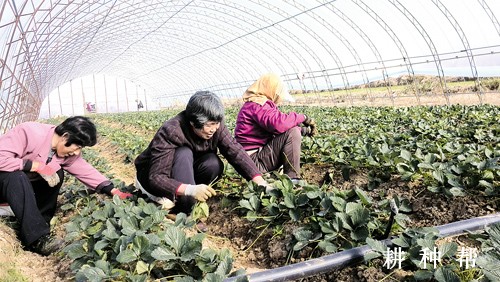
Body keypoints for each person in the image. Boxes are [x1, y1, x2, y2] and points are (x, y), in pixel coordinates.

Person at [0, 116, 132, 256]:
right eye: (78, 147)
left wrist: (111, 189)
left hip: (18, 190)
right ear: (65, 137)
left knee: (56, 173)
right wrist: (32, 165)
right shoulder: (29, 132)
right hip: (4, 185)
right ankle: (37, 238)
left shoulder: (64, 153)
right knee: (16, 175)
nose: (77, 152)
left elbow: (84, 169)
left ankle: (39, 225)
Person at [134, 91, 270, 217]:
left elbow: (234, 150)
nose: (214, 129)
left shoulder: (216, 125)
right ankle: (183, 210)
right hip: (152, 177)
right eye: (209, 125)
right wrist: (190, 190)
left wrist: (260, 182)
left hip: (185, 172)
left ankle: (186, 197)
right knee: (184, 153)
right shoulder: (172, 130)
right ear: (193, 122)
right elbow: (156, 177)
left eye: (216, 123)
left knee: (213, 163)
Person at [234, 73, 317, 183]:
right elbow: (280, 124)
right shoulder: (258, 105)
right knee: (292, 132)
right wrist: (303, 117)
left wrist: (303, 130)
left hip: (250, 161)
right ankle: (293, 180)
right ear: (270, 89)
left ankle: (287, 177)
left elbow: (276, 128)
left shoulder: (255, 104)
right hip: (254, 162)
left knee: (293, 131)